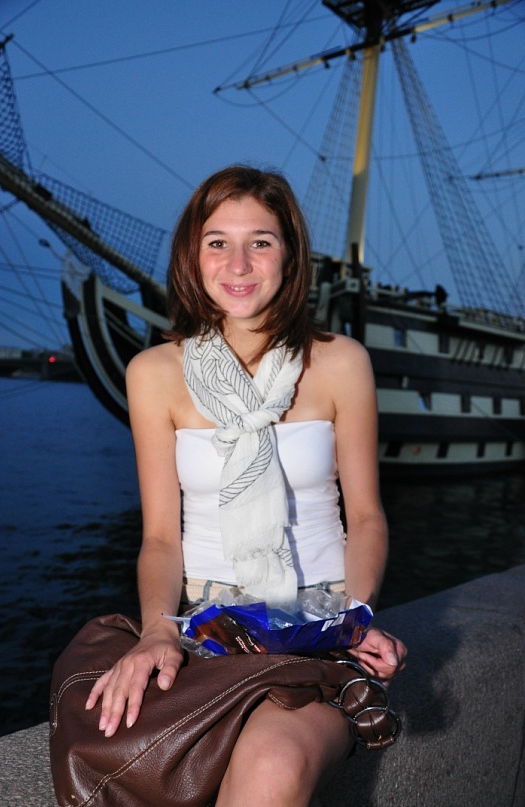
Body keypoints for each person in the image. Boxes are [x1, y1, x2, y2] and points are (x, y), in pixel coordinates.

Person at [85, 165, 407, 806]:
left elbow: (366, 518)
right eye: (217, 242)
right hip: (209, 630)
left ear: (289, 255)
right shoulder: (154, 373)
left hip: (323, 625)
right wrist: (156, 632)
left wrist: (357, 616)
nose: (238, 263)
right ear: (192, 256)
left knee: (273, 764)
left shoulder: (340, 362)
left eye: (260, 241)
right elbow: (160, 538)